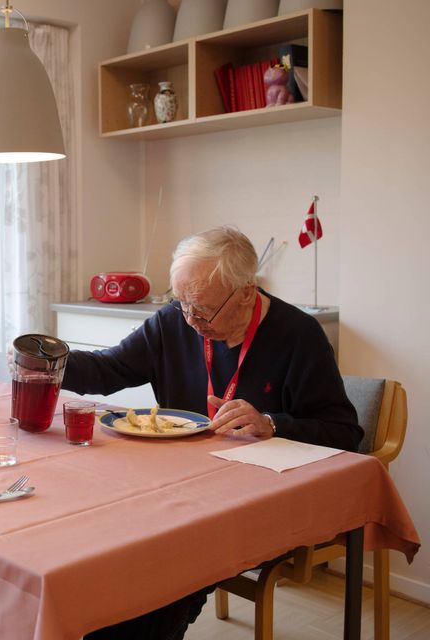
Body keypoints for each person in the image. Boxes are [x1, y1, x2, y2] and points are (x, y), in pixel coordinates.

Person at [61, 225, 362, 639]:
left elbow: (344, 432)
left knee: (165, 568)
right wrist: (49, 360)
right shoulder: (174, 321)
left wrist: (273, 423)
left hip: (255, 500)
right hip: (179, 489)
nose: (190, 320)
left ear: (246, 292)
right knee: (110, 544)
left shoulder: (299, 335)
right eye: (181, 302)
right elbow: (109, 368)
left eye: (202, 309)